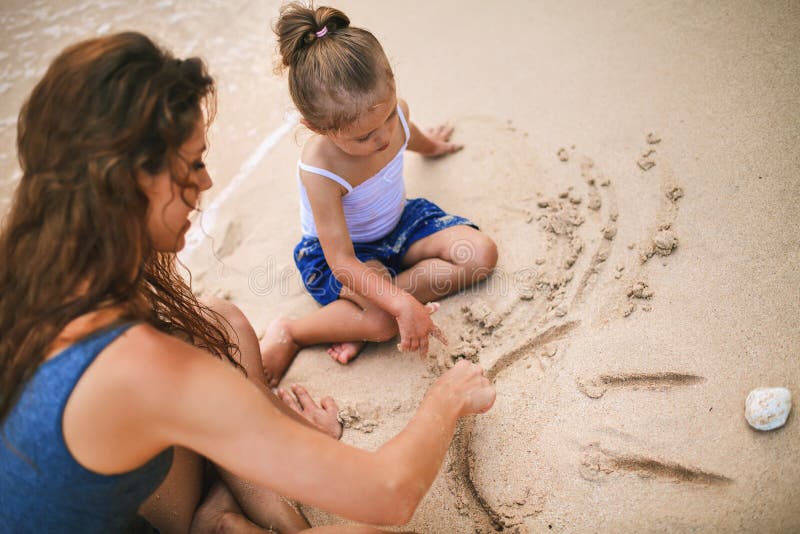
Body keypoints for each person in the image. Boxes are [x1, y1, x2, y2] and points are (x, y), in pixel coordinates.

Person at [0, 32, 496, 533]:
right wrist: (446, 399)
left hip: (116, 497)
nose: (208, 182)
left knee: (221, 319)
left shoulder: (33, 270)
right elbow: (390, 493)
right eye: (193, 164)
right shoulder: (140, 364)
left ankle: (223, 507)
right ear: (130, 184)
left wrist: (293, 433)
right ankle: (237, 512)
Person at [260, 3, 499, 387]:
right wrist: (401, 304)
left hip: (400, 223)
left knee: (480, 254)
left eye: (387, 115)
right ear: (316, 127)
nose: (384, 136)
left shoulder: (396, 116)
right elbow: (341, 261)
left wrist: (433, 147)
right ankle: (295, 331)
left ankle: (357, 315)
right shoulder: (320, 169)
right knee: (381, 322)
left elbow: (409, 134)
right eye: (364, 136)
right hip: (345, 255)